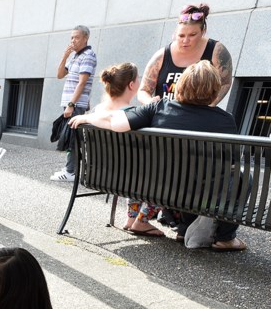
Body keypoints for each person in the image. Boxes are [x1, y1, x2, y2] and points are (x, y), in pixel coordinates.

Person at [71, 61, 246, 251]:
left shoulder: (160, 108)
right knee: (243, 177)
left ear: (182, 84)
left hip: (158, 190)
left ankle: (184, 228)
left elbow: (116, 122)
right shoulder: (225, 120)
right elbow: (231, 164)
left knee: (178, 172)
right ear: (214, 90)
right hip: (201, 195)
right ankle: (225, 237)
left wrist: (87, 118)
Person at [90, 63, 165, 237]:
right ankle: (140, 220)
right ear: (131, 85)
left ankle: (131, 219)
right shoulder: (133, 115)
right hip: (133, 179)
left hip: (104, 176)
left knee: (133, 172)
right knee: (157, 176)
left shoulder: (97, 112)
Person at [138, 3, 233, 106]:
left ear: (203, 31)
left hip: (197, 117)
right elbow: (143, 90)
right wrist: (151, 103)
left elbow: (225, 83)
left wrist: (208, 108)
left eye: (192, 35)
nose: (186, 40)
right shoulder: (162, 55)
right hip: (164, 117)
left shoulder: (217, 51)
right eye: (181, 36)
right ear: (175, 34)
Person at [50, 25, 97, 182]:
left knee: (73, 138)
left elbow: (82, 83)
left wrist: (71, 104)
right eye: (71, 37)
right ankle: (70, 169)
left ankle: (71, 171)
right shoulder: (75, 56)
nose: (73, 40)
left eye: (76, 37)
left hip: (75, 104)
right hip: (71, 103)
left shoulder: (88, 55)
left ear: (85, 38)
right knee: (71, 136)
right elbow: (59, 75)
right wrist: (65, 56)